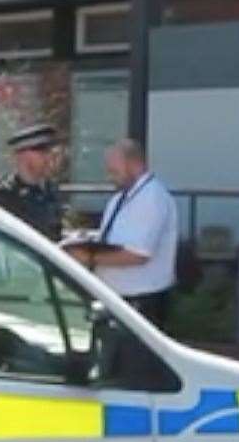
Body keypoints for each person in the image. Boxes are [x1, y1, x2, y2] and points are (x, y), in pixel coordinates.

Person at [74, 138, 179, 327]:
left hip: (141, 302)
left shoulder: (152, 198)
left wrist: (88, 258)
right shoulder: (120, 198)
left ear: (134, 164)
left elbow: (138, 255)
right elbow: (115, 240)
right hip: (114, 299)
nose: (110, 177)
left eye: (114, 171)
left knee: (134, 357)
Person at [0, 123, 67, 241]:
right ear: (22, 156)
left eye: (50, 152)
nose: (49, 158)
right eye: (42, 152)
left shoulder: (51, 191)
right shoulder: (4, 196)